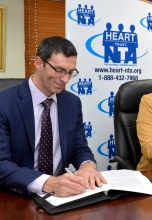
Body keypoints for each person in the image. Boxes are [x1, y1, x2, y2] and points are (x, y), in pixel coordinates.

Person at [0, 36, 107, 197]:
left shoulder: (72, 103)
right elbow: (1, 163)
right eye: (59, 70)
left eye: (71, 72)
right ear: (38, 63)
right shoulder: (4, 103)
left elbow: (79, 148)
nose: (65, 79)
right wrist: (47, 182)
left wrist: (87, 166)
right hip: (18, 194)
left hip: (61, 195)